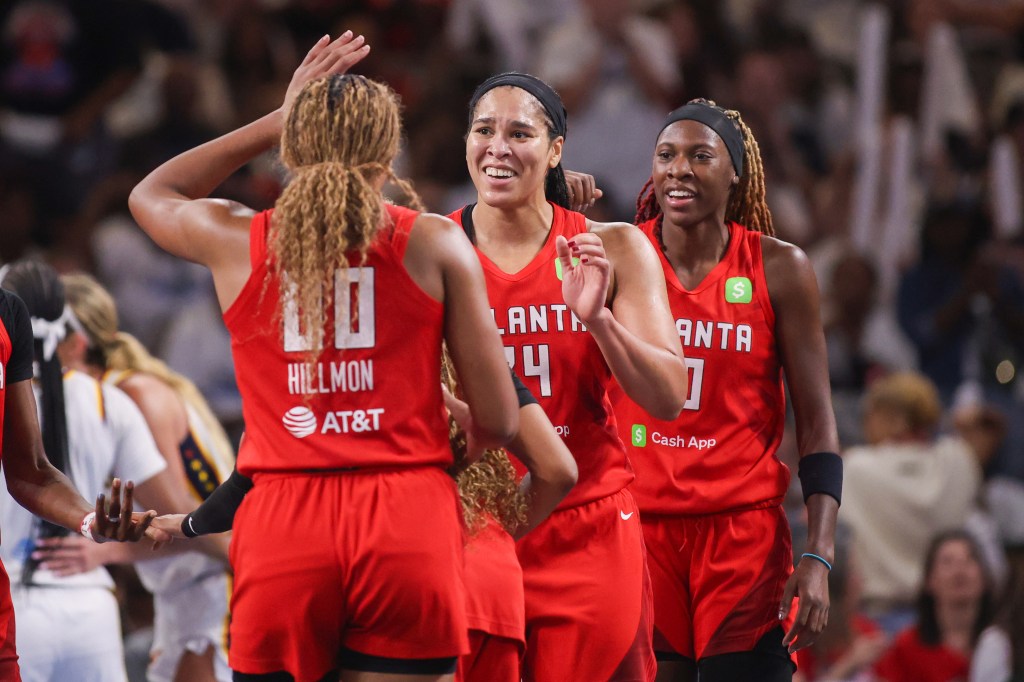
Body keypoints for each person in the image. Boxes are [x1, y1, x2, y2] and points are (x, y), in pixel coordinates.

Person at [129, 32, 519, 682]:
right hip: (406, 515)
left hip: (284, 519)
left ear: (293, 146)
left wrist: (276, 121)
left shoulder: (235, 239)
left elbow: (152, 194)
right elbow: (502, 420)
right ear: (388, 150)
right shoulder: (436, 242)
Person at [451, 72, 689, 682]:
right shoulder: (432, 246)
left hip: (586, 528)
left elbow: (669, 396)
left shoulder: (612, 247)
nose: (497, 147)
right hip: (475, 533)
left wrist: (600, 321)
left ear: (556, 149)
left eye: (520, 133)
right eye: (484, 130)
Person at [603, 98, 841, 682]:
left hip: (741, 539)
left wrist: (820, 554)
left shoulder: (779, 268)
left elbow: (816, 424)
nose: (678, 169)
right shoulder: (614, 255)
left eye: (699, 155)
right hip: (639, 531)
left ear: (736, 172)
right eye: (665, 155)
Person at [37, 272, 234, 682]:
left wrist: (105, 551)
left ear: (73, 345)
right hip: (187, 589)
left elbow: (185, 522)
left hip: (213, 588)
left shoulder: (131, 397)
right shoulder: (109, 396)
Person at [0, 260, 177, 682]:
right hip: (90, 604)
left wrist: (92, 522)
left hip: (18, 599)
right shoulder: (108, 399)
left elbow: (33, 470)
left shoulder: (8, 320)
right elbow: (171, 513)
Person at [842, 372, 980, 633]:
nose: (865, 423)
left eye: (870, 414)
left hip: (878, 620)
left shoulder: (854, 467)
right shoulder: (957, 460)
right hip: (946, 620)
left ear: (891, 417)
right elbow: (989, 428)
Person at [873, 530, 1011, 682]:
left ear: (985, 578)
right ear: (929, 581)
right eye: (947, 562)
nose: (960, 570)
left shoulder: (1008, 643)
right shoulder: (905, 648)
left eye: (969, 559)